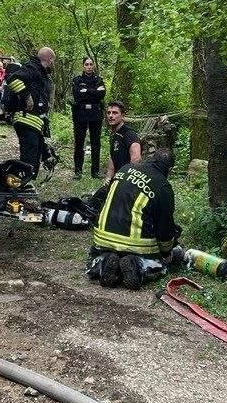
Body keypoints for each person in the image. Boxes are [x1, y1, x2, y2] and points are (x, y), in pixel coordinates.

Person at [86, 149, 182, 290]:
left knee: (100, 254)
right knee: (161, 263)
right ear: (170, 170)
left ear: (151, 158)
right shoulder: (162, 186)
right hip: (135, 244)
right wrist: (168, 251)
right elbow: (164, 228)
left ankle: (102, 263)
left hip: (102, 238)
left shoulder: (125, 169)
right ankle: (138, 267)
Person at [4, 47, 55, 177]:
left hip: (35, 122)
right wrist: (26, 96)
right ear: (49, 59)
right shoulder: (33, 68)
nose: (53, 64)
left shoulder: (41, 72)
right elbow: (12, 79)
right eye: (53, 61)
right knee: (29, 159)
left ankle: (25, 181)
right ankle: (16, 181)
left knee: (35, 157)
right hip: (26, 119)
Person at [70, 57, 106, 178]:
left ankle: (95, 172)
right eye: (86, 64)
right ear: (83, 66)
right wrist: (94, 91)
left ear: (93, 65)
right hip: (80, 114)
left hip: (96, 114)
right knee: (79, 143)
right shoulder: (77, 80)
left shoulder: (99, 79)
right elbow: (77, 95)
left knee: (96, 143)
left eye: (91, 64)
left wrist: (86, 90)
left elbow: (101, 94)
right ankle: (78, 171)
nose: (89, 67)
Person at [103, 100, 141, 182]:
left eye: (115, 113)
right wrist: (108, 178)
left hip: (126, 180)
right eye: (109, 113)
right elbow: (112, 158)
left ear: (122, 116)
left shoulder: (129, 134)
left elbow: (136, 159)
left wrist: (126, 181)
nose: (110, 116)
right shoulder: (114, 134)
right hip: (116, 179)